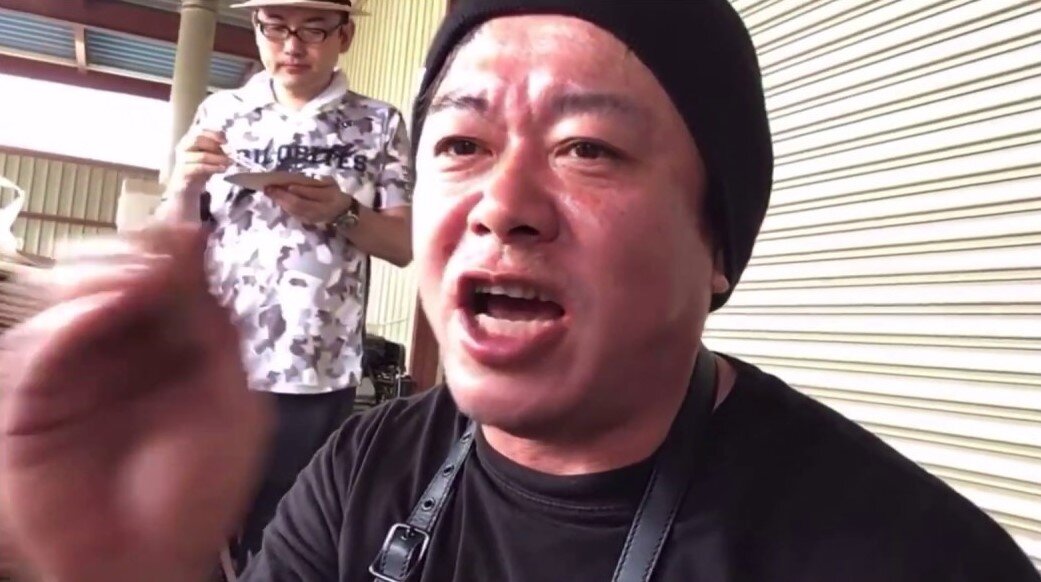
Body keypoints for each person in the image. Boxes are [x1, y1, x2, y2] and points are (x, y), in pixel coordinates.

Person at [0, 1, 1038, 581]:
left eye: (588, 148)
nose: (501, 204)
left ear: (718, 244)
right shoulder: (364, 474)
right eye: (462, 144)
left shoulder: (910, 560)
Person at [153, 0, 413, 571]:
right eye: (276, 28)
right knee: (191, 526)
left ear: (345, 36)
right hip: (215, 361)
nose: (293, 46)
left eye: (314, 30)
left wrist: (343, 212)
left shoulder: (379, 123)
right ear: (257, 30)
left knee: (283, 538)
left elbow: (402, 244)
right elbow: (173, 238)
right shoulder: (222, 112)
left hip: (314, 368)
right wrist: (184, 185)